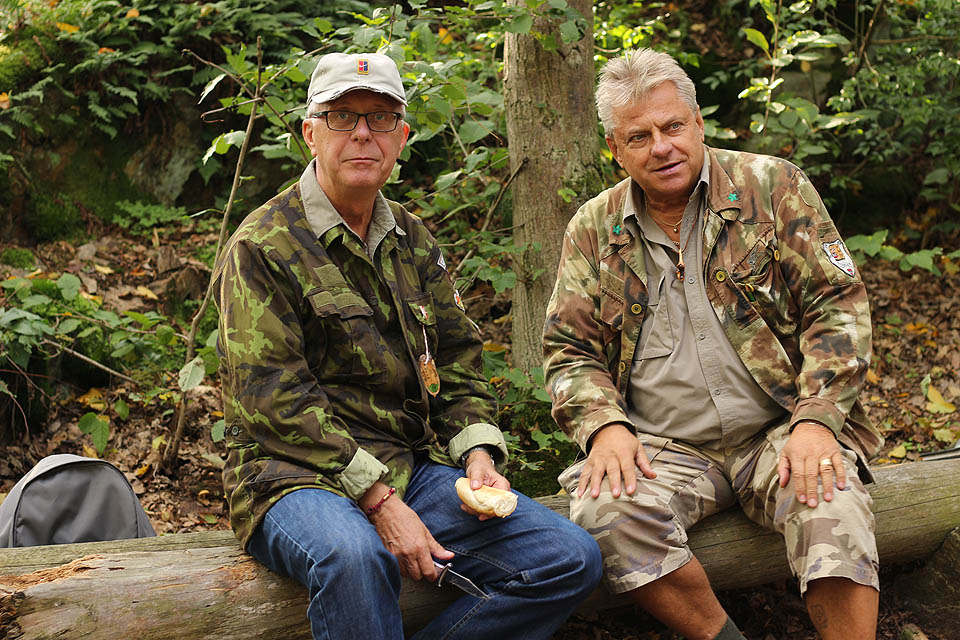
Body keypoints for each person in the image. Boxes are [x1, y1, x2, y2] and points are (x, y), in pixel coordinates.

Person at [212, 51, 602, 639]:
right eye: (343, 117)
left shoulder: (411, 238)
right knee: (354, 560)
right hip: (291, 476)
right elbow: (272, 399)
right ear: (310, 134)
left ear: (402, 137)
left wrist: (477, 456)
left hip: (408, 464)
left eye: (381, 117)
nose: (363, 133)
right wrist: (379, 501)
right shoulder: (262, 246)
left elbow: (458, 362)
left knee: (569, 558)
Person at [542, 48, 882, 640]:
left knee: (831, 497)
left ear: (698, 123)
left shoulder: (772, 188)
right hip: (665, 448)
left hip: (777, 428)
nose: (662, 147)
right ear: (616, 150)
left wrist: (818, 420)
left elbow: (838, 305)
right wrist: (603, 426)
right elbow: (569, 351)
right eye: (639, 136)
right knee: (603, 510)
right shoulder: (593, 229)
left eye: (673, 126)